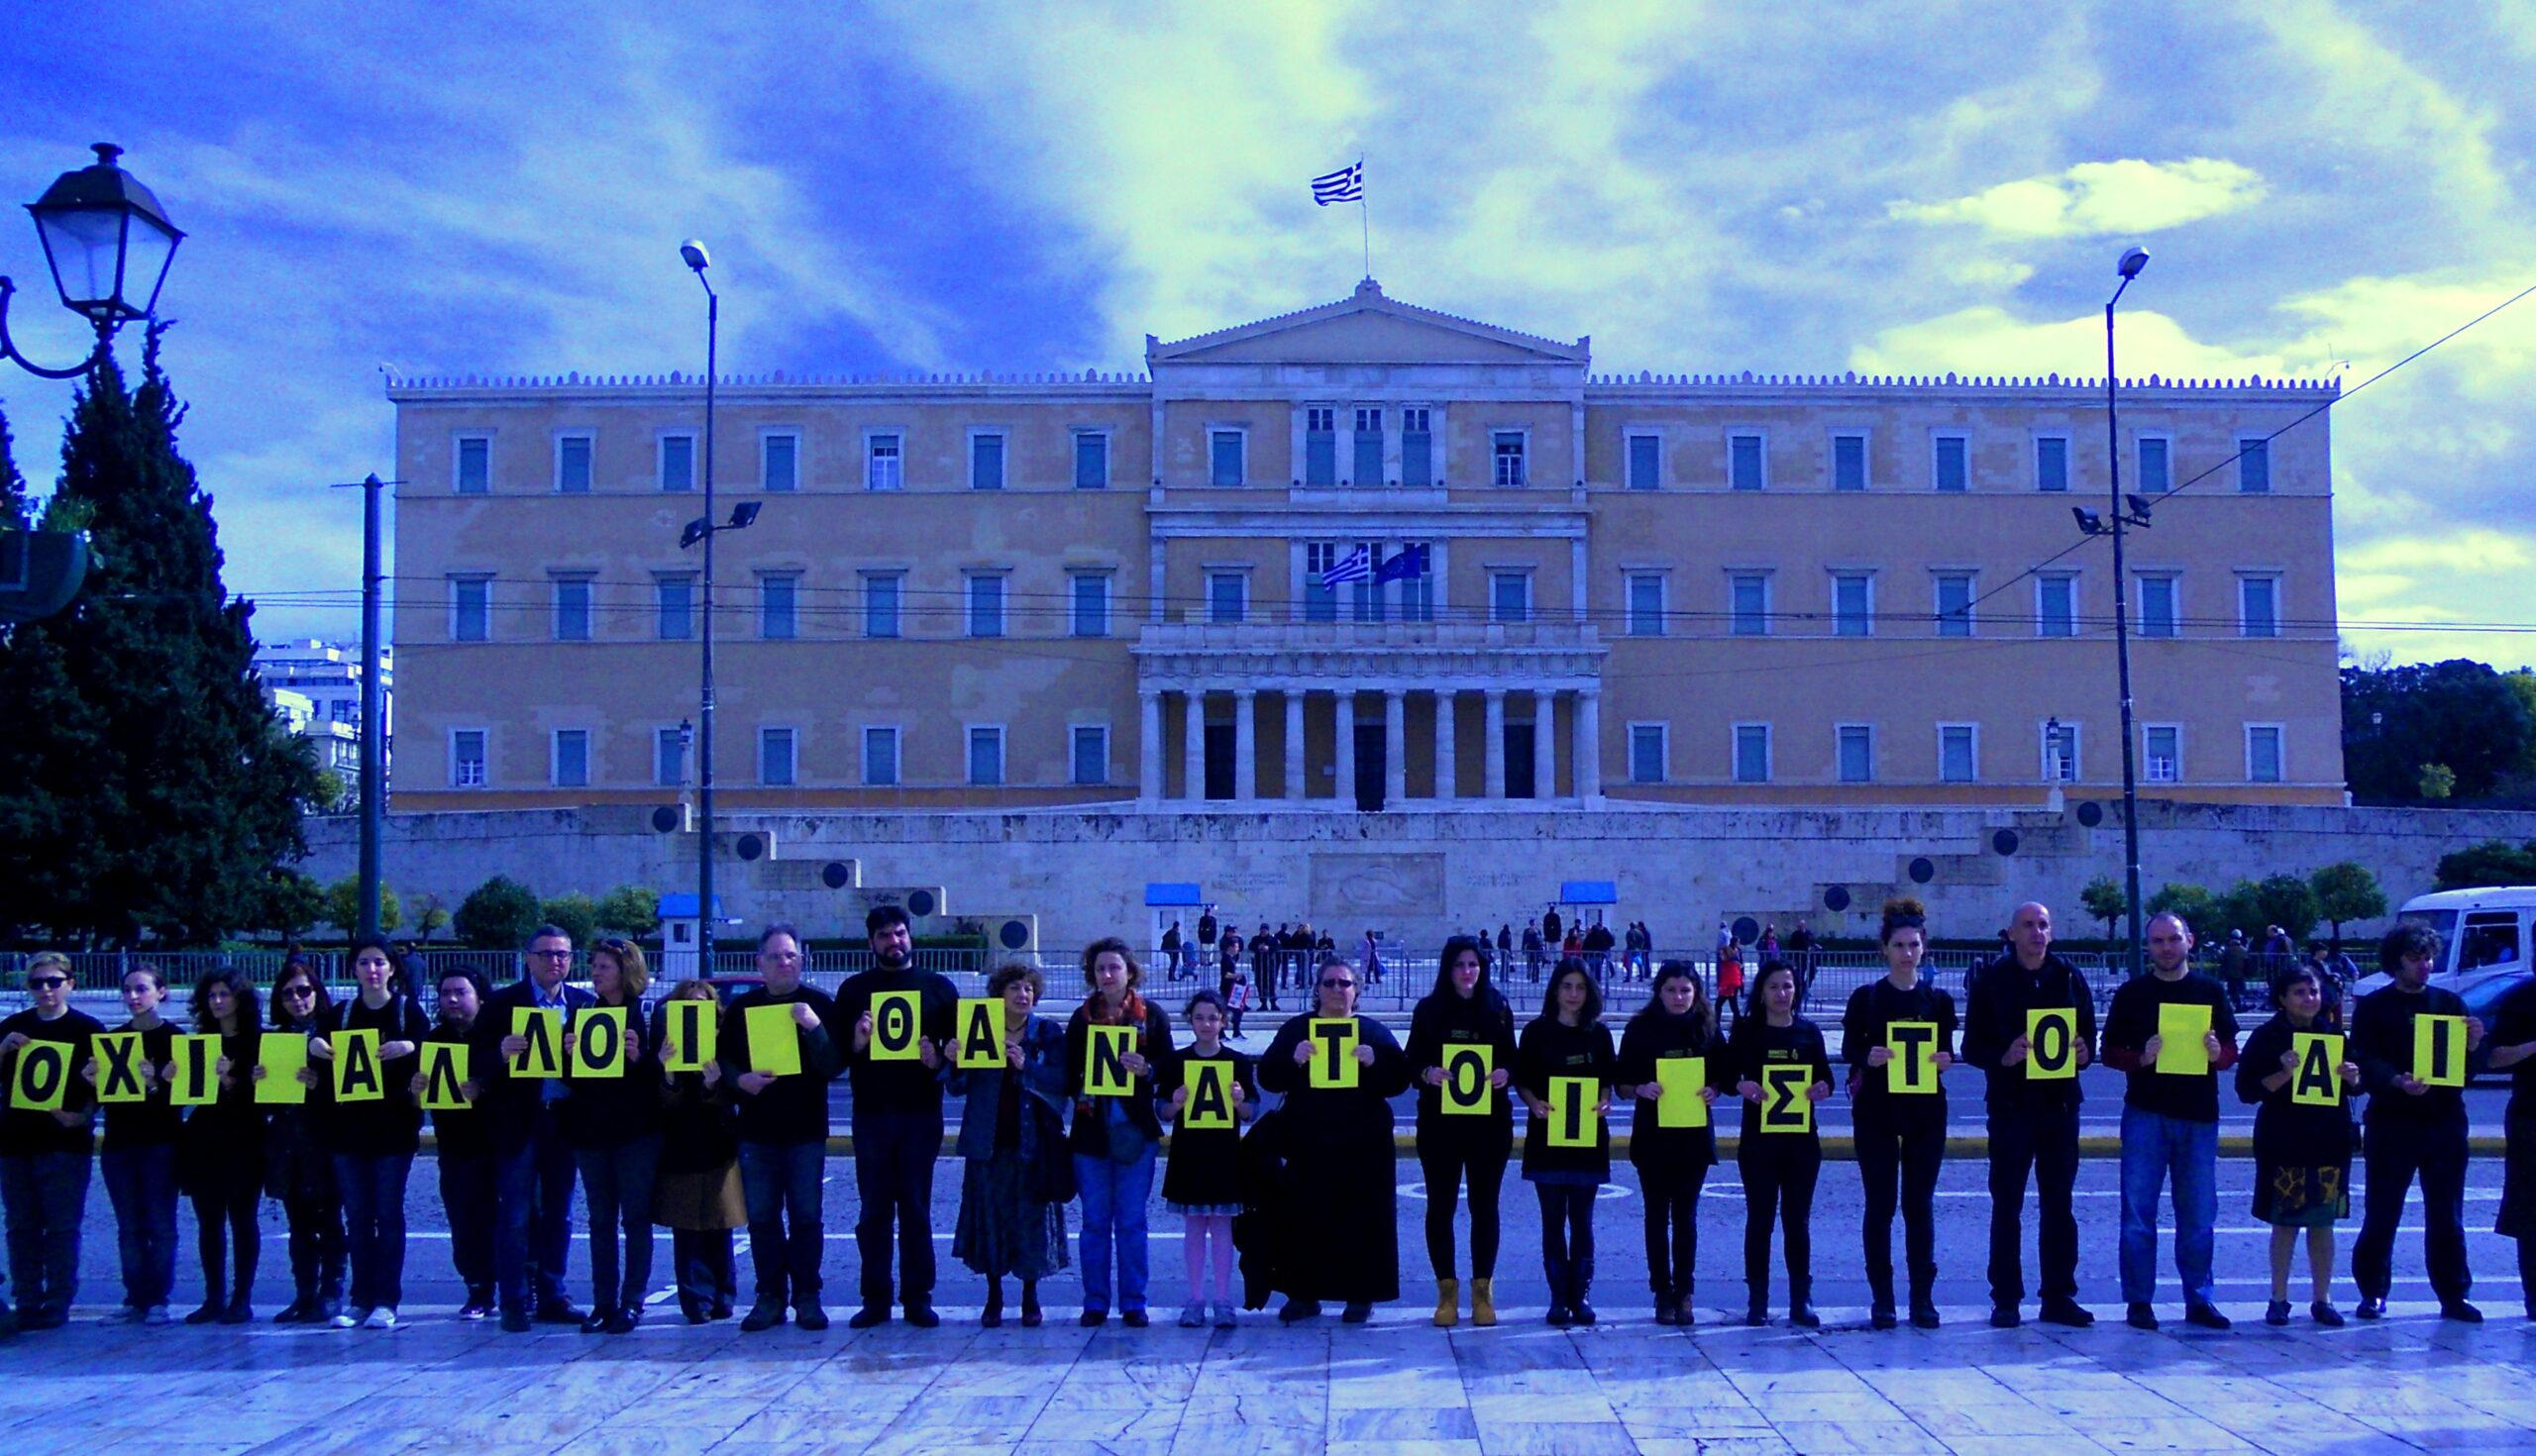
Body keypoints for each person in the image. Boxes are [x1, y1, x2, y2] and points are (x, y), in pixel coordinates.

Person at [2101, 912, 2240, 1331]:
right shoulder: (2133, 993)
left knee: (2198, 1215)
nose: (2165, 947)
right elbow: (2108, 1052)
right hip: (2146, 1113)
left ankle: (2199, 1299)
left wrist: (2217, 1053)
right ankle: (2139, 1301)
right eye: (2158, 941)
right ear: (2149, 946)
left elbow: (2232, 1052)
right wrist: (2140, 1058)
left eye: (2173, 939)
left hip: (2198, 1117)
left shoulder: (2210, 991)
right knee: (2138, 1215)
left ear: (2189, 941)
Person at [1961, 900, 2097, 1328]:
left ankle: (2058, 1294)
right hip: (2011, 1108)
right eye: (2028, 926)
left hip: (2059, 1107)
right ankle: (2006, 1297)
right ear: (2012, 933)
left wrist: (2083, 1052)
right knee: (2007, 1206)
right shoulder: (1992, 981)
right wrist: (2004, 1055)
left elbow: (2088, 1039)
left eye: (2043, 925)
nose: (2037, 933)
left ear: (2051, 933)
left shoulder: (2069, 977)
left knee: (2059, 1205)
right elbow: (1971, 1047)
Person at [1257, 956, 1413, 1322]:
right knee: (1303, 1220)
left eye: (1345, 983)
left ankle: (1360, 1294)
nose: (1337, 990)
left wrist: (1376, 1062)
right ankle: (1303, 1294)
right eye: (1329, 983)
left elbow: (1400, 1081)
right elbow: (1268, 1077)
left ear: (1356, 990)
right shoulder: (1298, 1029)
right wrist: (1292, 1060)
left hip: (1363, 1145)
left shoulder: (1373, 1032)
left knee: (1361, 1222)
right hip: (1307, 1143)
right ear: (1317, 989)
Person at [2350, 921, 2483, 1321]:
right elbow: (2363, 1058)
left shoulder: (2449, 1003)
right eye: (2413, 958)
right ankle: (2372, 1291)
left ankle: (2453, 1294)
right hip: (2392, 1121)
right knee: (2382, 1211)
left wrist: (2474, 1044)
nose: (2423, 965)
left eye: (2427, 957)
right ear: (2396, 962)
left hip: (2444, 1121)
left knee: (2447, 1213)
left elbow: (2466, 1071)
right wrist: (2395, 1080)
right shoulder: (2374, 1006)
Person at [836, 904, 958, 1328]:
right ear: (871, 942)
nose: (894, 941)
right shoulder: (853, 991)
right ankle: (875, 1298)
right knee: (872, 1211)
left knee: (916, 1208)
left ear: (911, 937)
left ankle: (918, 1297)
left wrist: (937, 1060)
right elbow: (836, 1057)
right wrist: (856, 1040)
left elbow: (958, 1057)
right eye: (885, 935)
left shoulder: (939, 988)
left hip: (921, 1114)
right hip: (870, 1114)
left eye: (900, 933)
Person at [724, 922, 847, 1331]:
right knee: (761, 1218)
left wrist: (813, 1028)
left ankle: (807, 1296)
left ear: (802, 960)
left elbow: (833, 1066)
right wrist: (741, 1080)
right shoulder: (742, 1009)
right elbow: (723, 1062)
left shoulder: (819, 1004)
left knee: (807, 1217)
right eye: (775, 956)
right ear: (759, 963)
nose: (783, 963)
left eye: (790, 955)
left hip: (805, 1131)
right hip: (757, 1132)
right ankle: (769, 1296)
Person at [473, 925, 595, 1332]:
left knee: (560, 1214)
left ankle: (553, 1295)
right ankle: (513, 1300)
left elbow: (599, 1073)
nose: (554, 961)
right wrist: (500, 1054)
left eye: (562, 954)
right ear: (527, 958)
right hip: (518, 1121)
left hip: (564, 1118)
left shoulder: (583, 1004)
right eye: (545, 954)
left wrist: (582, 1056)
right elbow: (473, 1063)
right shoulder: (501, 1003)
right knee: (516, 1215)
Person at [1843, 897, 1956, 1329]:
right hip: (1877, 1111)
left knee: (1919, 1204)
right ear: (1885, 949)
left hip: (1926, 1111)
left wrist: (1947, 1059)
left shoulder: (1939, 1001)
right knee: (1881, 1204)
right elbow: (1851, 1047)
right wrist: (1866, 1056)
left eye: (1913, 944)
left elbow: (1945, 1047)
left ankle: (1922, 1297)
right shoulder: (1867, 998)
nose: (1907, 952)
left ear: (1924, 947)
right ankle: (1882, 1297)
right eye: (1899, 945)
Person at [1403, 935, 1518, 1328]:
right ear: (1447, 969)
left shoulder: (1498, 1007)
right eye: (1459, 965)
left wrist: (1507, 1073)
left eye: (1473, 965)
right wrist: (1426, 1073)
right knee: (1441, 1206)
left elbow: (1513, 1058)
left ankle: (1482, 1292)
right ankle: (1446, 1293)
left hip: (1489, 1124)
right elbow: (1410, 1062)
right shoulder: (1429, 1010)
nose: (1467, 972)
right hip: (1440, 1124)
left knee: (1485, 1206)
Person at [2237, 963, 2358, 1326]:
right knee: (2285, 1222)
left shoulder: (2332, 1034)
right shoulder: (2267, 1036)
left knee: (2323, 1222)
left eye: (2314, 992)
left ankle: (2323, 1298)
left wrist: (2354, 1077)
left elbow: (2354, 1086)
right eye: (2300, 992)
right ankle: (2279, 1297)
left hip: (2328, 1138)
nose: (2309, 998)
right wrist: (2284, 1072)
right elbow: (2247, 1091)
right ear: (2282, 998)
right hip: (2285, 1138)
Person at [317, 936, 429, 1329]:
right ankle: (360, 1298)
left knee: (388, 1212)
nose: (372, 970)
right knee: (358, 1217)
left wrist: (408, 1047)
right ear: (354, 969)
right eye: (364, 963)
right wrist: (313, 1046)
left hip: (393, 1130)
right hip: (348, 1130)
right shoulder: (342, 1013)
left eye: (379, 962)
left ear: (392, 968)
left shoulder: (406, 1011)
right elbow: (317, 1051)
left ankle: (387, 1299)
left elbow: (431, 1052)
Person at [952, 963, 1071, 1328]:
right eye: (1015, 989)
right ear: (999, 994)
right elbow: (957, 1086)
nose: (1023, 996)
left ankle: (1030, 1296)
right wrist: (952, 1061)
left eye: (1029, 990)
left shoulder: (1046, 1032)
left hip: (1032, 1142)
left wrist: (1027, 1066)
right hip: (987, 1140)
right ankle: (994, 1295)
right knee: (991, 1219)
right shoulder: (978, 1026)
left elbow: (1062, 1080)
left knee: (1030, 1220)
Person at [1064, 937, 1173, 1327]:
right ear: (1091, 975)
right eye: (1099, 969)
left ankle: (1133, 1302)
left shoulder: (1152, 1016)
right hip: (1091, 1132)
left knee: (1130, 1221)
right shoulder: (1081, 1019)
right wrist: (1082, 1079)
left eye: (1114, 967)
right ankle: (1095, 1301)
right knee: (1094, 1221)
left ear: (1129, 972)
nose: (1107, 975)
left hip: (1135, 1133)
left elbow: (1169, 1066)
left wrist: (1147, 1070)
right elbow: (1067, 1073)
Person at [1724, 959, 1833, 1327]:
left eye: (1787, 986)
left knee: (1797, 1221)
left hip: (1801, 1142)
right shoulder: (1747, 1031)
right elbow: (1725, 1075)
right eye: (1774, 987)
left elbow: (1826, 1078)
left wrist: (1822, 1089)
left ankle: (1801, 1298)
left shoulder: (1809, 1032)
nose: (1781, 994)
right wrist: (1741, 1085)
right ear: (1762, 991)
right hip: (1758, 1142)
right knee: (1760, 1220)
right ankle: (1757, 1298)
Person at [563, 936, 661, 1334]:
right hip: (592, 1131)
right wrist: (567, 1055)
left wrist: (639, 1059)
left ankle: (633, 1301)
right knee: (600, 1221)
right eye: (594, 966)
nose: (596, 973)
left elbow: (663, 1077)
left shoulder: (648, 1015)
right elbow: (572, 1080)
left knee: (636, 1219)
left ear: (626, 969)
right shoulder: (583, 1013)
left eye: (604, 966)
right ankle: (603, 1301)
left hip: (636, 1132)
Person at [0, 951, 102, 1331]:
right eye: (37, 983)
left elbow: (106, 1086)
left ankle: (58, 1299)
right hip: (15, 1141)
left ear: (70, 984)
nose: (45, 990)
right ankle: (26, 1299)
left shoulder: (87, 1029)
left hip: (64, 1143)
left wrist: (82, 1115)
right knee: (20, 1226)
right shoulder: (13, 1026)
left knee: (61, 1226)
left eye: (54, 982)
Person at [1517, 959, 1618, 1325]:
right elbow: (1522, 1079)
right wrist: (1534, 1104)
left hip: (1587, 1138)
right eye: (1567, 987)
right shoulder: (1536, 1032)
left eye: (1580, 988)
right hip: (1548, 1137)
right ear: (1555, 991)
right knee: (1552, 1219)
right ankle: (1558, 1296)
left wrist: (1604, 1100)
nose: (1573, 995)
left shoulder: (1599, 1035)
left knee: (1583, 1219)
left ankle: (1581, 1295)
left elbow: (1608, 1077)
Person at [1621, 961, 1719, 1325]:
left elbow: (1722, 1073)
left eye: (1685, 991)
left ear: (1695, 993)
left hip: (1693, 1136)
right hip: (1653, 1137)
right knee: (1656, 1216)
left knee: (1686, 1217)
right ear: (1659, 992)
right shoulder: (1640, 1030)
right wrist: (1640, 1089)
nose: (1679, 998)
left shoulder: (1707, 1028)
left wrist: (1715, 1089)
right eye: (1671, 990)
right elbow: (1622, 1083)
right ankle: (1662, 1291)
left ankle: (1685, 1292)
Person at [94, 965, 181, 1325]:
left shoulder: (176, 1040)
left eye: (141, 989)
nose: (133, 997)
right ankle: (134, 1298)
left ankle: (158, 1297)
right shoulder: (114, 1040)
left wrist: (155, 1084)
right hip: (119, 1143)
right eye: (128, 990)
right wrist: (91, 1081)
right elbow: (105, 1099)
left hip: (160, 1142)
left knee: (160, 1223)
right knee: (129, 1225)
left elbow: (182, 1100)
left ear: (161, 992)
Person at [654, 977, 744, 1324]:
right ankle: (695, 1300)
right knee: (687, 1227)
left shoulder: (724, 1044)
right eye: (690, 1004)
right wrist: (668, 1073)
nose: (697, 1011)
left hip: (719, 1144)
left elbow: (732, 1099)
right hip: (680, 1143)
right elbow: (662, 1102)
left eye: (703, 1004)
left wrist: (712, 1084)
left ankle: (724, 1294)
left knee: (721, 1225)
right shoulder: (667, 1044)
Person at [1162, 989, 1253, 1328]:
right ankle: (1195, 1298)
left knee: (1222, 1226)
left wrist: (1240, 1100)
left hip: (1224, 1153)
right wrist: (1175, 1101)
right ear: (1190, 1020)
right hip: (1189, 1152)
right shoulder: (1177, 1062)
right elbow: (1164, 1112)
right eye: (1199, 1018)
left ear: (1223, 1021)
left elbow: (1250, 1112)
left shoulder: (1238, 1062)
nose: (1206, 1024)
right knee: (1194, 1226)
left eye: (1213, 1018)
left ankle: (1224, 1299)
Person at [262, 958, 345, 1325]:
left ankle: (331, 1292)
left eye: (304, 991)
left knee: (328, 1219)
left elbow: (353, 1087)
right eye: (289, 993)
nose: (297, 999)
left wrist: (320, 1084)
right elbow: (264, 1100)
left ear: (317, 992)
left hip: (323, 1138)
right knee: (298, 1223)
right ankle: (304, 1293)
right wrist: (258, 1079)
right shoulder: (274, 1037)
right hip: (286, 1140)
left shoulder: (333, 1031)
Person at [179, 965, 264, 1324]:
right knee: (208, 1220)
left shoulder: (260, 1041)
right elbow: (186, 1091)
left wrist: (236, 1083)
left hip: (246, 1136)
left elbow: (272, 1098)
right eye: (211, 996)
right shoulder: (200, 1041)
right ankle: (214, 1296)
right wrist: (169, 1077)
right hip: (205, 1136)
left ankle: (241, 1297)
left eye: (224, 995)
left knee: (243, 1218)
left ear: (239, 998)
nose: (216, 1002)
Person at [420, 966, 495, 1319]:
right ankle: (477, 1288)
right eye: (445, 992)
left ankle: (522, 1287)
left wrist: (485, 1087)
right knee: (464, 1222)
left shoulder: (495, 1037)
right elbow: (419, 1097)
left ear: (479, 996)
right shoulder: (433, 1040)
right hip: (455, 1147)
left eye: (460, 992)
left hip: (498, 1143)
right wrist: (415, 1089)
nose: (451, 999)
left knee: (512, 1219)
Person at [1716, 944, 1744, 1030]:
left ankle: (1717, 1023)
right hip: (1728, 988)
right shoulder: (1727, 964)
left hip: (1729, 988)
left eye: (1722, 954)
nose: (1721, 956)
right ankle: (1737, 1022)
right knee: (1733, 1006)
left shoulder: (1731, 965)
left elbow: (1732, 978)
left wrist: (1724, 986)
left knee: (1721, 1005)